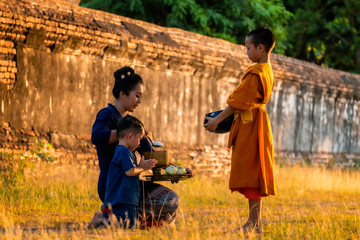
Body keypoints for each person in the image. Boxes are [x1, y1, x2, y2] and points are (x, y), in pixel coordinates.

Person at [89, 66, 182, 229]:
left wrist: (173, 168)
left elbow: (149, 153)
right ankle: (109, 218)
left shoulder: (131, 122)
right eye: (137, 96)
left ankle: (115, 216)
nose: (139, 100)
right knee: (161, 207)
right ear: (123, 94)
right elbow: (96, 137)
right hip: (113, 185)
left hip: (131, 183)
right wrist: (124, 132)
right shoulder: (107, 115)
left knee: (171, 201)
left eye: (141, 96)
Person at [204, 27, 276, 234]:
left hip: (252, 125)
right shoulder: (267, 70)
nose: (246, 52)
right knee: (251, 171)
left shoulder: (257, 73)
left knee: (251, 173)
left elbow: (237, 103)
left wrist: (216, 121)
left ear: (260, 48)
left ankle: (254, 224)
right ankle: (254, 223)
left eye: (248, 48)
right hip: (253, 122)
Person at [103, 115, 157, 228]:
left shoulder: (127, 152)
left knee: (131, 223)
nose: (139, 144)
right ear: (130, 136)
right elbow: (130, 171)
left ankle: (105, 216)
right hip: (122, 198)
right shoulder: (123, 152)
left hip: (127, 198)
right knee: (127, 225)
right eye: (139, 139)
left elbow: (130, 170)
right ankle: (101, 219)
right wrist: (142, 168)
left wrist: (140, 166)